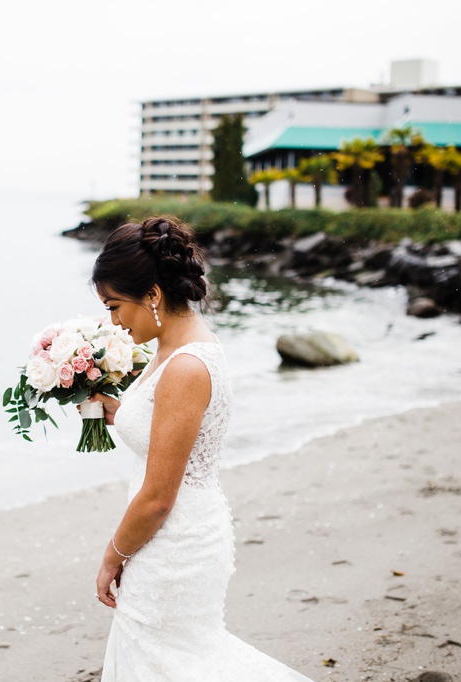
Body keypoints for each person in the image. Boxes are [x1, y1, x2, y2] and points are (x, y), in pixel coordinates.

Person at [86, 215, 316, 681]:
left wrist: (113, 555)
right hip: (169, 534)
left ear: (152, 295)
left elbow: (156, 498)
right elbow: (166, 428)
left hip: (171, 543)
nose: (111, 321)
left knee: (176, 664)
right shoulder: (172, 348)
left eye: (114, 306)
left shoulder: (186, 366)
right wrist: (115, 411)